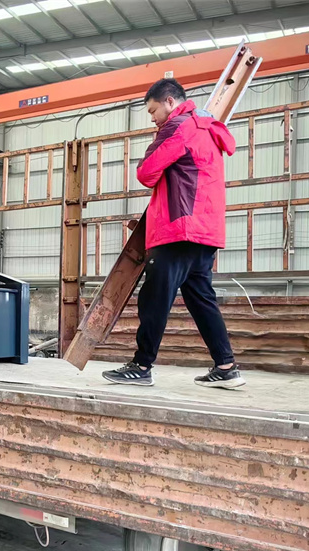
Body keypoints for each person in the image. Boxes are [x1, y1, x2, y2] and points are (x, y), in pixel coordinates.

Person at [102, 78, 245, 389]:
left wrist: (159, 140)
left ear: (169, 102)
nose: (153, 118)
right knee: (202, 300)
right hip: (205, 231)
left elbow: (146, 172)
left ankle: (142, 366)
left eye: (153, 110)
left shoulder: (178, 126)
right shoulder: (208, 127)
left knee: (154, 298)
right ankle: (226, 366)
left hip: (178, 228)